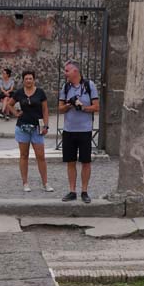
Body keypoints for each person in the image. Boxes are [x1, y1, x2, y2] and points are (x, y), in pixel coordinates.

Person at [58, 60, 99, 203]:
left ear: (75, 71)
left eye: (67, 70)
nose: (65, 73)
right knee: (70, 161)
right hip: (69, 130)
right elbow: (60, 108)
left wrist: (83, 108)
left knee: (86, 162)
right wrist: (69, 105)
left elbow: (96, 107)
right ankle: (72, 191)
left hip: (85, 130)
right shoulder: (65, 87)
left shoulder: (89, 85)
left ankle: (84, 191)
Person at [11, 70, 54, 193]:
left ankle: (45, 183)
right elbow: (10, 104)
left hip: (37, 128)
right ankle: (25, 183)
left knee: (41, 156)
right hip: (22, 128)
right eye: (26, 79)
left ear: (34, 80)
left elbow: (45, 110)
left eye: (30, 78)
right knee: (24, 155)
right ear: (23, 80)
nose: (28, 80)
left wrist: (46, 125)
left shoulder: (40, 92)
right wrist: (16, 113)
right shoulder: (19, 92)